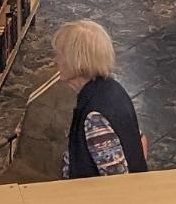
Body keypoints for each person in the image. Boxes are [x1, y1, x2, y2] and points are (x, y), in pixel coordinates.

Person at [54, 20, 148, 178]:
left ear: (76, 60)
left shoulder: (94, 116)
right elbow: (140, 139)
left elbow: (116, 180)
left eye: (60, 55)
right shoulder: (113, 88)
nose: (55, 60)